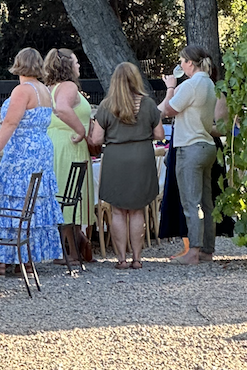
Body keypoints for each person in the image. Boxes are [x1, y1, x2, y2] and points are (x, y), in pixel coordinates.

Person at [0, 48, 63, 272]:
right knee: (33, 202)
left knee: (15, 201)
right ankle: (26, 258)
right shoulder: (44, 90)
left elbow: (11, 124)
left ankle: (2, 261)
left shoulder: (22, 90)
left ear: (18, 64)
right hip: (41, 149)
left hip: (22, 152)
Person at [90, 62, 160, 269]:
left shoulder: (106, 106)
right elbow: (159, 135)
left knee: (118, 211)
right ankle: (137, 258)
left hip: (116, 157)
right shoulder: (148, 104)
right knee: (138, 210)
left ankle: (121, 258)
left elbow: (96, 140)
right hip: (142, 157)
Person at [158, 45, 223, 264]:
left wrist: (170, 88)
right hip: (207, 145)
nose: (180, 65)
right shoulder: (209, 83)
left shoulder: (191, 84)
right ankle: (207, 248)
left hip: (190, 147)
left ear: (190, 63)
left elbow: (168, 110)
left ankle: (193, 251)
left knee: (191, 202)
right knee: (206, 201)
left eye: (182, 61)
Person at [43, 49, 96, 268]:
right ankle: (71, 252)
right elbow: (62, 109)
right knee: (69, 195)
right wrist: (81, 131)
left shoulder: (49, 88)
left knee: (65, 194)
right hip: (69, 143)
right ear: (66, 66)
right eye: (75, 62)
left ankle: (73, 245)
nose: (79, 66)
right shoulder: (69, 86)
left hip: (57, 143)